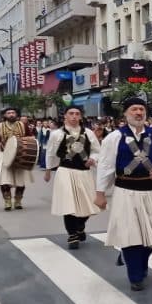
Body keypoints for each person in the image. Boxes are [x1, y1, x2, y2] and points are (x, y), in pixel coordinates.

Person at [95, 97, 152, 291]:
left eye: (141, 109)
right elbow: (106, 166)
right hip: (126, 192)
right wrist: (100, 193)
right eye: (134, 109)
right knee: (130, 235)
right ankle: (136, 275)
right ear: (125, 113)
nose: (139, 113)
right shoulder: (114, 137)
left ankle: (133, 258)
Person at [44, 106, 101, 249]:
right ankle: (72, 235)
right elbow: (51, 152)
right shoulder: (57, 134)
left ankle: (80, 225)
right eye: (71, 113)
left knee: (88, 205)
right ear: (65, 116)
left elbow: (97, 151)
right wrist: (48, 169)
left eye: (77, 114)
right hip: (65, 171)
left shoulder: (88, 133)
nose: (74, 116)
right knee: (68, 205)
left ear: (81, 117)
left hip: (84, 172)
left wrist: (93, 159)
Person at [0, 107, 36, 211]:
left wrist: (25, 141)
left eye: (13, 112)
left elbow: (31, 137)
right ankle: (7, 201)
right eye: (9, 113)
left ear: (16, 114)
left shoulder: (23, 125)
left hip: (21, 155)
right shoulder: (0, 126)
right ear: (5, 115)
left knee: (21, 181)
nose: (11, 114)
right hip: (4, 154)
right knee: (5, 181)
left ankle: (18, 200)